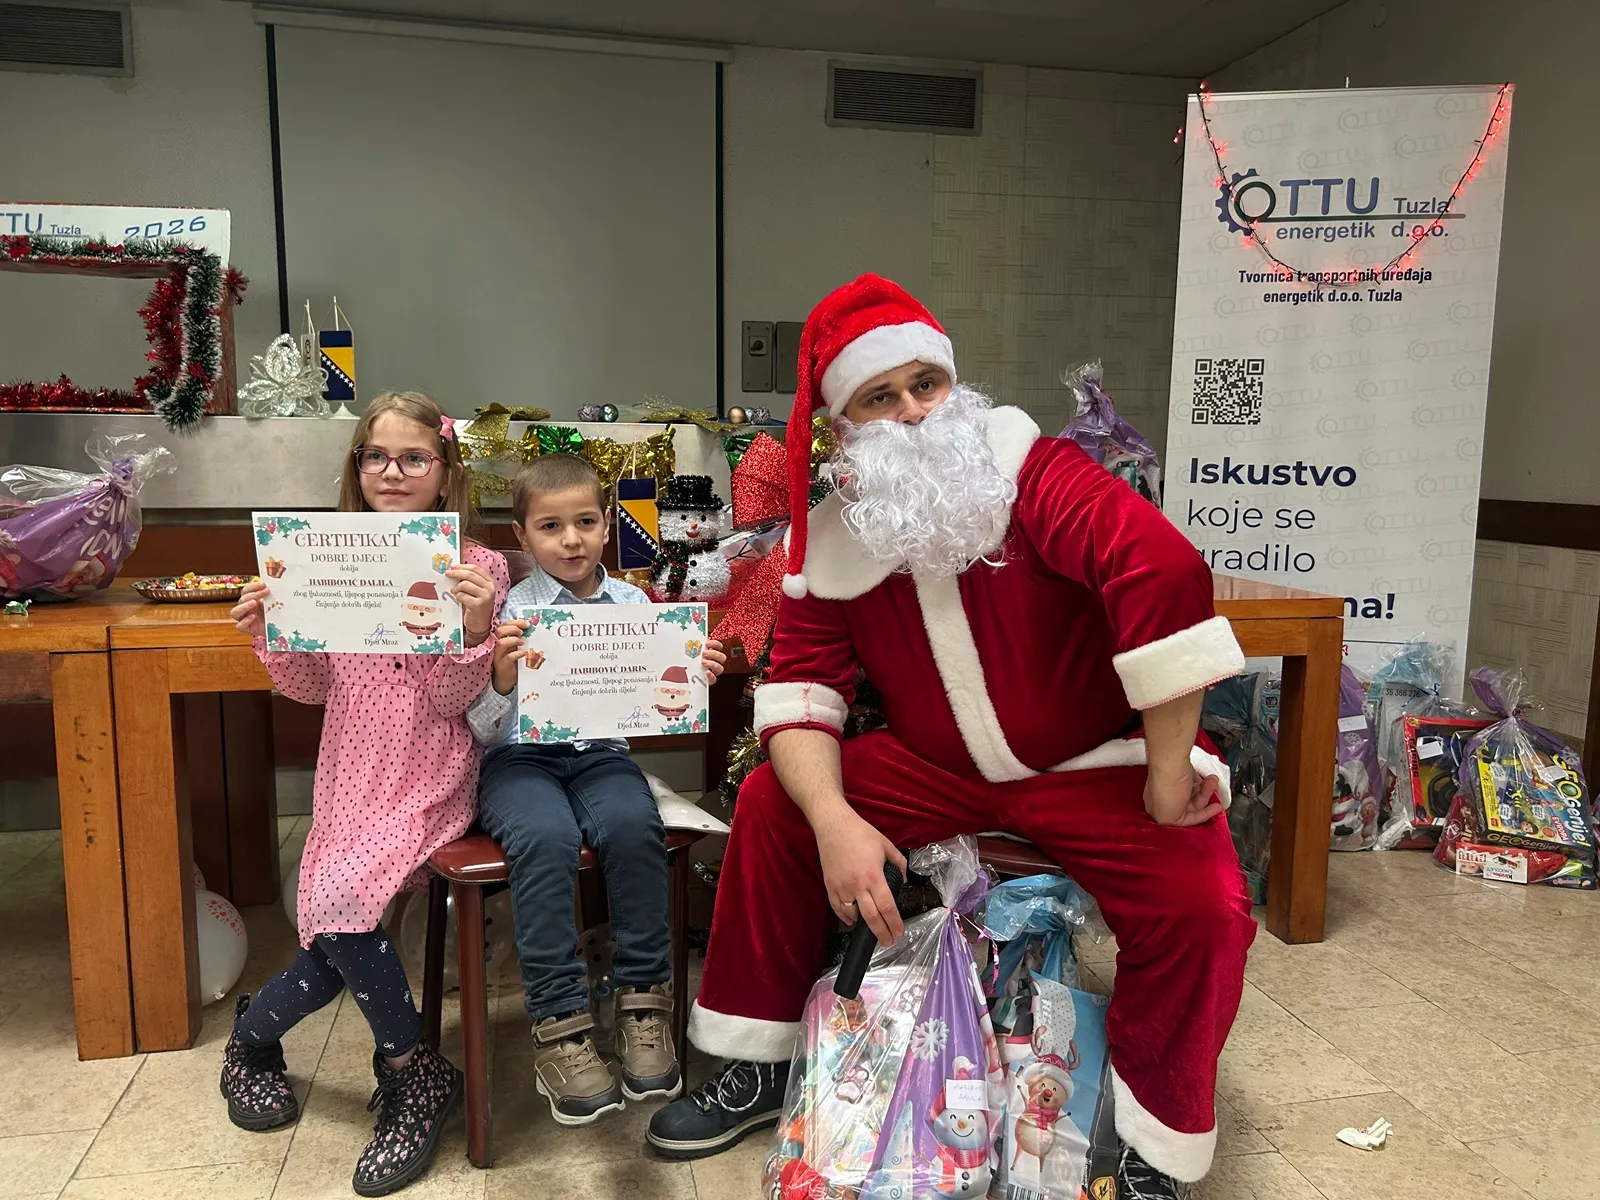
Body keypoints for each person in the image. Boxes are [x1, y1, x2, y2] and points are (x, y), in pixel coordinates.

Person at [647, 275, 1253, 1199]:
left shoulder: (1038, 475)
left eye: (925, 384)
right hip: (934, 767)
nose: (913, 411)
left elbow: (1162, 572)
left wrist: (1168, 771)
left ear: (954, 384)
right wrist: (835, 822)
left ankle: (1152, 1140)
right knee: (775, 803)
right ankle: (761, 1059)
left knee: (1203, 905)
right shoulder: (836, 538)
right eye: (879, 396)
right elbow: (803, 690)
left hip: (1090, 764)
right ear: (843, 425)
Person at [223, 391, 508, 1198]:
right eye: (375, 456)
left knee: (341, 904)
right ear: (357, 467)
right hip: (350, 768)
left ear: (445, 470)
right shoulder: (321, 554)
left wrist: (475, 632)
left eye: (414, 457)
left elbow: (453, 701)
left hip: (428, 771)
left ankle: (403, 1065)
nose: (392, 471)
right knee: (334, 932)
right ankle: (259, 1044)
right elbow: (313, 686)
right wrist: (270, 630)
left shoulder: (476, 567)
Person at [463, 455, 728, 1125]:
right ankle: (560, 1027)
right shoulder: (510, 611)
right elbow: (483, 728)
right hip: (518, 762)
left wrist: (693, 673)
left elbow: (656, 704)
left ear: (608, 525)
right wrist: (500, 677)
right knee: (545, 837)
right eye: (550, 526)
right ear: (522, 535)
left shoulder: (636, 607)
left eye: (584, 522)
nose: (571, 540)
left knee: (634, 828)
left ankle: (643, 1006)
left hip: (601, 758)